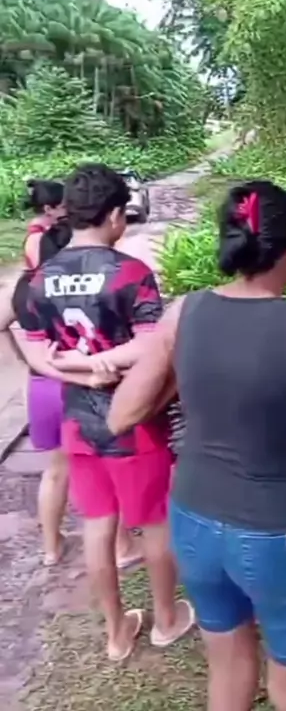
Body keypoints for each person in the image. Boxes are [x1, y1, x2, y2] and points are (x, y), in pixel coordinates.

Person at [107, 179, 286, 711]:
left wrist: (183, 371)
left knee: (227, 666)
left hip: (193, 522)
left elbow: (121, 415)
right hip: (280, 535)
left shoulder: (184, 312)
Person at [20, 162, 193, 661]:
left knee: (97, 523)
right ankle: (165, 620)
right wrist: (105, 364)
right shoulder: (131, 273)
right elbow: (151, 347)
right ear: (115, 214)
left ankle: (116, 633)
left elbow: (39, 354)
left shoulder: (40, 278)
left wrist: (79, 368)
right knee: (154, 522)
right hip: (135, 421)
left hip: (78, 422)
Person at [1, 208, 141, 568]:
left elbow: (2, 324)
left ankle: (51, 547)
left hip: (41, 386)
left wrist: (28, 359)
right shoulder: (86, 287)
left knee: (55, 471)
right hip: (75, 387)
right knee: (100, 468)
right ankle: (122, 547)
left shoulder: (26, 287)